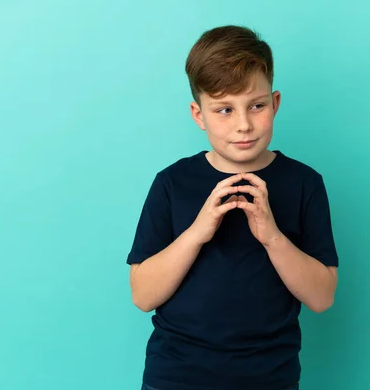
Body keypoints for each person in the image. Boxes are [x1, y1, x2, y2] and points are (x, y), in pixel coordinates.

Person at [127, 25, 339, 390]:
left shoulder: (305, 183)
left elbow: (322, 297)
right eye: (224, 109)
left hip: (269, 377)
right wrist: (197, 232)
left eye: (256, 106)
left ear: (274, 103)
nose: (243, 125)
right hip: (176, 377)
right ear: (198, 115)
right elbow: (143, 295)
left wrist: (272, 236)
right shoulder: (172, 183)